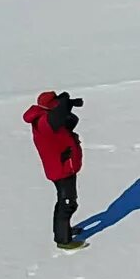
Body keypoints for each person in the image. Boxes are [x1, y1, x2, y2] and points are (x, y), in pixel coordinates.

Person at [24, 90, 86, 250]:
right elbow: (59, 115)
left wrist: (70, 105)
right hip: (61, 169)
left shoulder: (46, 118)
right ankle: (63, 240)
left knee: (65, 200)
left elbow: (71, 120)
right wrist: (65, 101)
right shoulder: (46, 122)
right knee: (67, 203)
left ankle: (63, 230)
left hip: (64, 167)